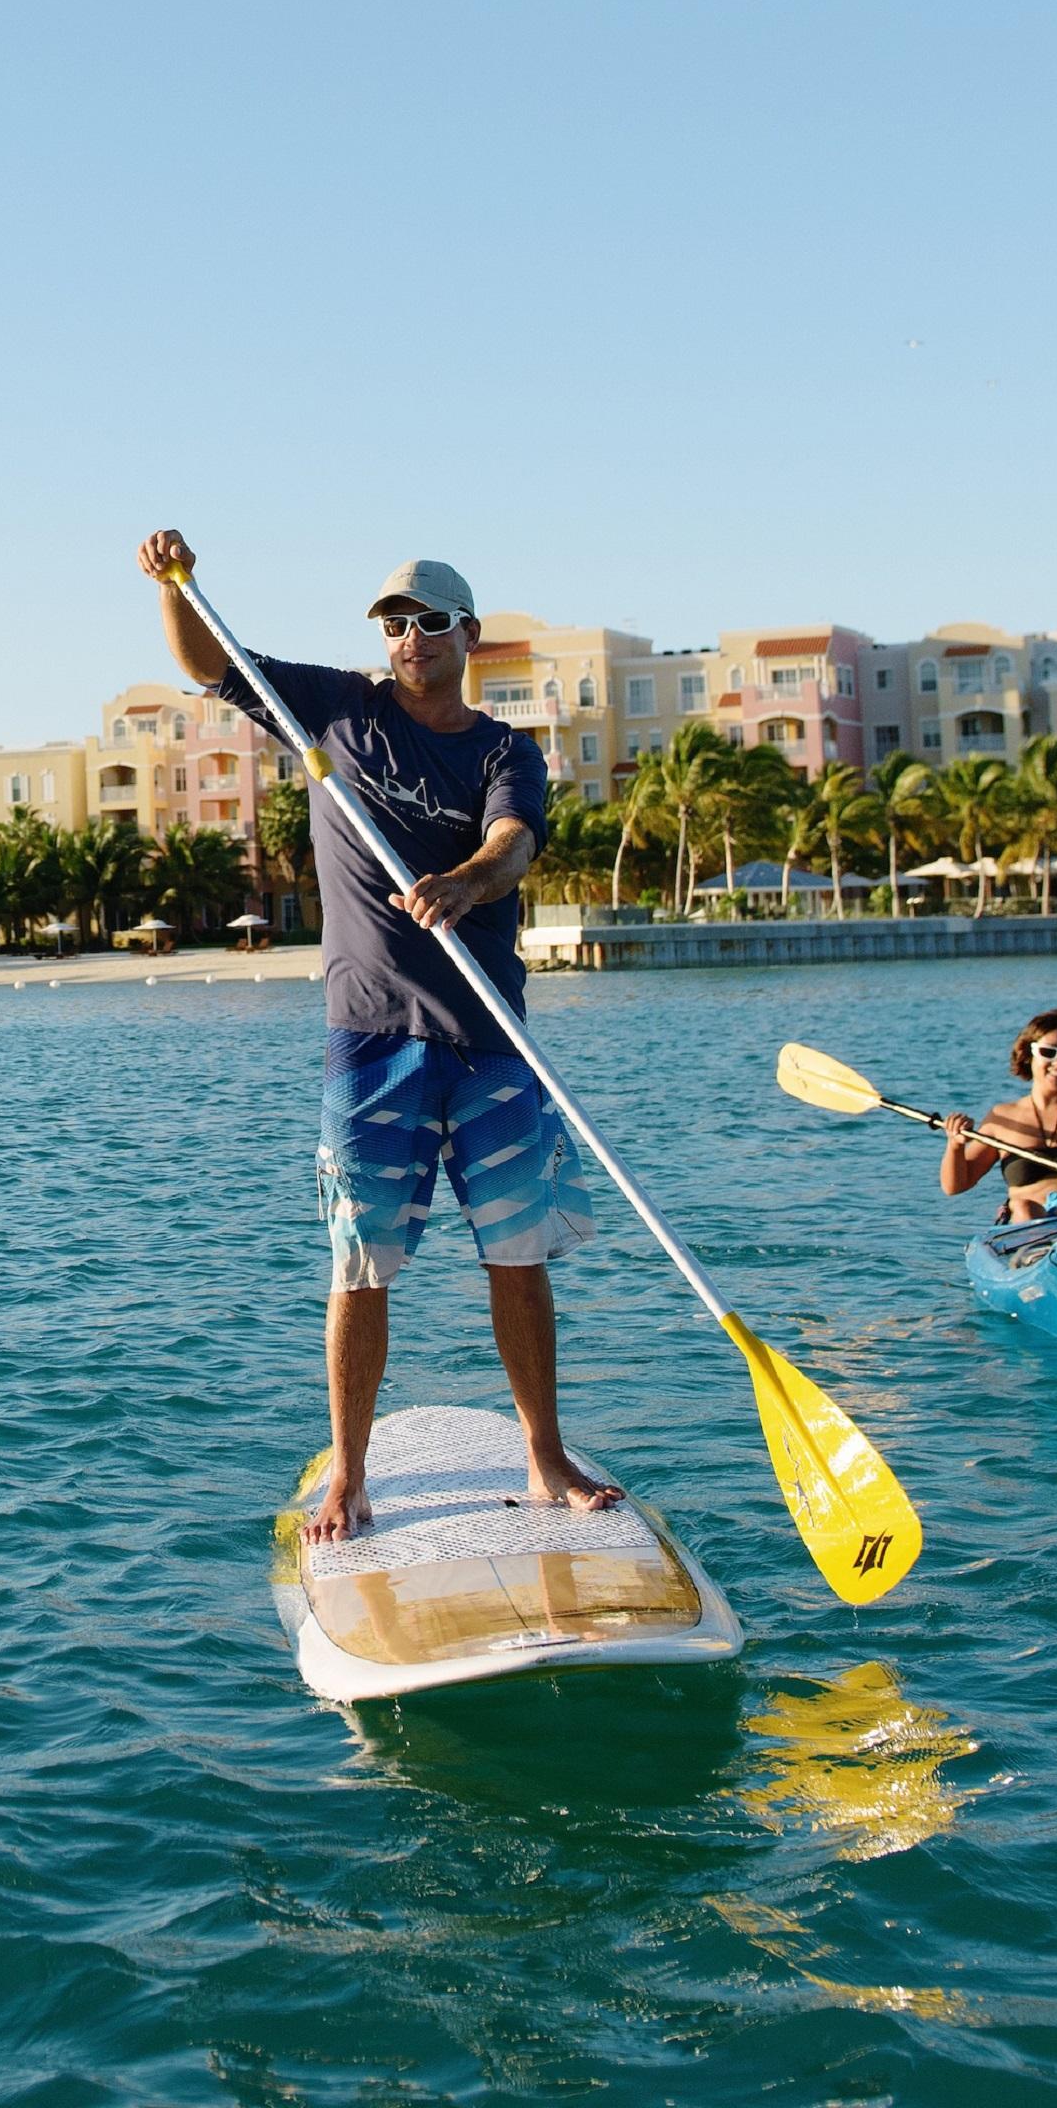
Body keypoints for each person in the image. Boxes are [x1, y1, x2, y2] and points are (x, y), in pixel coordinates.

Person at [138, 528, 616, 1542]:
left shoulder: (503, 749)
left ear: (467, 635)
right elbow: (207, 663)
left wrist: (466, 883)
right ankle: (349, 1473)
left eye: (428, 623)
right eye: (394, 624)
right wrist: (178, 587)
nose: (408, 638)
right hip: (370, 1039)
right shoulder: (338, 709)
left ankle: (543, 1456)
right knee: (360, 1262)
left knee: (517, 1257)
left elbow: (512, 842)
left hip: (489, 1037)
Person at [939, 1010, 1057, 1223]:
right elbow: (955, 1186)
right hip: (1027, 1226)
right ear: (1028, 1053)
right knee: (1023, 1208)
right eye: (1049, 1052)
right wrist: (955, 1145)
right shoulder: (1001, 1117)